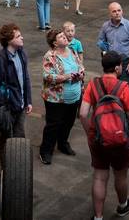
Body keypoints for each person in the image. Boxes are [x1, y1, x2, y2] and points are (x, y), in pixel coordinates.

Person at [80, 51, 129, 220]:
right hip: (121, 139)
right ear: (117, 68)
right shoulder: (123, 87)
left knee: (100, 176)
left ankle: (98, 217)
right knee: (120, 174)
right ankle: (122, 206)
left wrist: (91, 134)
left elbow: (83, 114)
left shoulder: (93, 85)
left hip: (99, 139)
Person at [0, 23, 33, 166]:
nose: (22, 38)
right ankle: (6, 169)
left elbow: (26, 78)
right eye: (18, 36)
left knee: (19, 137)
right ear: (9, 40)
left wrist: (28, 100)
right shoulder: (0, 60)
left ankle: (17, 167)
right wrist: (5, 103)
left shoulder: (21, 54)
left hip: (20, 106)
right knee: (6, 138)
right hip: (9, 108)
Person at [39, 28, 83, 165]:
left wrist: (81, 73)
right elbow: (47, 76)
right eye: (61, 37)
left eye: (64, 35)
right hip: (56, 98)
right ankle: (46, 150)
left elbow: (79, 65)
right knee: (53, 125)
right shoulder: (50, 56)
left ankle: (63, 144)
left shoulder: (72, 51)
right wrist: (65, 77)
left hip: (73, 96)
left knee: (69, 122)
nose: (65, 37)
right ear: (55, 43)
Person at [97, 2, 129, 84]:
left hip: (125, 62)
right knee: (110, 86)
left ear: (122, 11)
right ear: (110, 13)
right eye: (114, 11)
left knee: (123, 87)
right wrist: (104, 50)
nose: (117, 13)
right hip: (111, 63)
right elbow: (101, 41)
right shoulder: (105, 26)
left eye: (119, 10)